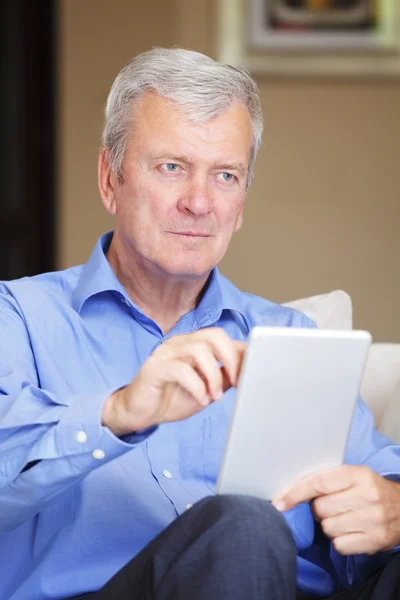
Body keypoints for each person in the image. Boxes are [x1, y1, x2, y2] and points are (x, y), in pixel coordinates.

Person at [0, 47, 400, 600]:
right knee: (244, 524)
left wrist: (391, 508)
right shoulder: (18, 317)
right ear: (109, 179)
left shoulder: (289, 336)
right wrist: (115, 413)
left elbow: (381, 473)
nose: (199, 202)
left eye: (225, 176)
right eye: (171, 167)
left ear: (240, 204)